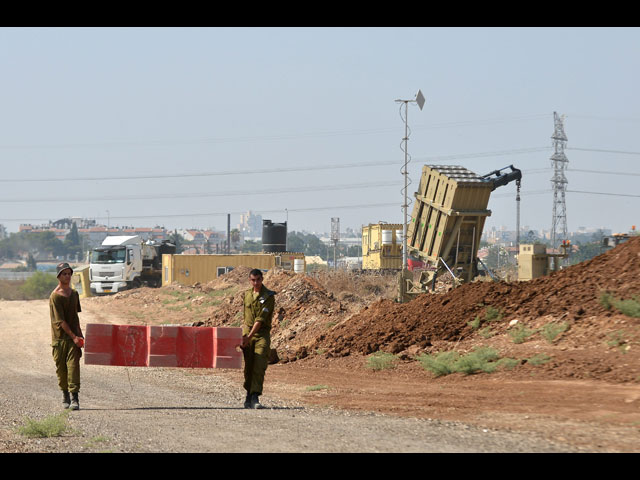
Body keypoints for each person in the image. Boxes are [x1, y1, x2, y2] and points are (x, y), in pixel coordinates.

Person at [49, 262, 84, 410]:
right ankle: (65, 396)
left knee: (73, 367)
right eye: (64, 274)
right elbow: (61, 321)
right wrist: (73, 336)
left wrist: (80, 337)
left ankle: (75, 398)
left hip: (73, 338)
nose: (67, 276)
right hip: (59, 339)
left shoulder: (74, 294)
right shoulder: (55, 297)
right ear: (59, 276)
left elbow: (75, 318)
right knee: (61, 370)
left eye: (69, 273)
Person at [240, 268, 275, 409]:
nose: (256, 283)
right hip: (247, 335)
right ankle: (248, 395)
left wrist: (249, 337)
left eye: (258, 280)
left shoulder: (268, 296)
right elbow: (245, 317)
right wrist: (244, 336)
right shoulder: (247, 295)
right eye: (253, 280)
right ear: (250, 280)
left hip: (261, 335)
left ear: (262, 279)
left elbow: (260, 320)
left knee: (259, 365)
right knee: (248, 367)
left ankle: (255, 397)